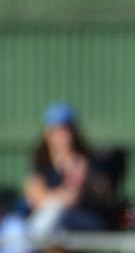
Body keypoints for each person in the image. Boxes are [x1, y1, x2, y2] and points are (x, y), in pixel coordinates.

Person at [23, 102, 112, 239]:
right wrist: (58, 198)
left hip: (82, 220)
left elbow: (73, 197)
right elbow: (34, 197)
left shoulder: (86, 160)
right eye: (56, 131)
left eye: (66, 130)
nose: (62, 136)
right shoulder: (40, 163)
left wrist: (52, 197)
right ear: (48, 134)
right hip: (49, 223)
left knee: (57, 220)